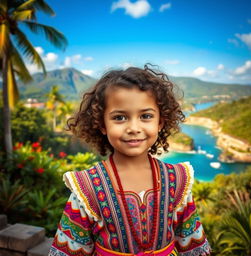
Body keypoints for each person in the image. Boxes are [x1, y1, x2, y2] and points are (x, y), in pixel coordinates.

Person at [48, 64, 211, 256]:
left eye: (146, 116)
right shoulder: (87, 188)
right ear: (102, 125)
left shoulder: (178, 180)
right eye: (119, 117)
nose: (134, 127)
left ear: (160, 122)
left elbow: (193, 246)